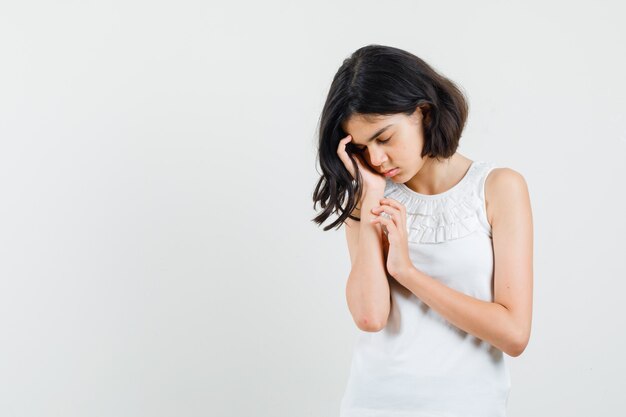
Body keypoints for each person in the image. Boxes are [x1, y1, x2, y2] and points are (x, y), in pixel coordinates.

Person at [311, 44, 533, 417]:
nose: (377, 159)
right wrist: (369, 206)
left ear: (423, 114)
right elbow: (370, 317)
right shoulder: (368, 197)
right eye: (363, 148)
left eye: (384, 138)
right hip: (374, 403)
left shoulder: (499, 188)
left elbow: (513, 333)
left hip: (469, 406)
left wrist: (407, 273)